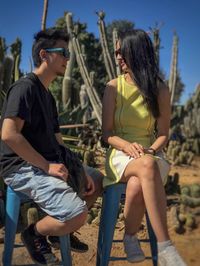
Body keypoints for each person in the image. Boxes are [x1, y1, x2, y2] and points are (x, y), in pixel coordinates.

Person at [0, 28, 103, 265]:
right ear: (45, 54)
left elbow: (57, 139)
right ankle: (34, 234)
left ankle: (60, 233)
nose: (68, 58)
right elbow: (9, 134)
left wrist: (76, 167)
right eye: (64, 52)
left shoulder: (47, 96)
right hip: (21, 167)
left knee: (95, 178)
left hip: (46, 163)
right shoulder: (25, 88)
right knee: (77, 213)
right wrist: (47, 166)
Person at [102, 29, 186, 266]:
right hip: (119, 154)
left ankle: (129, 237)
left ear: (137, 53)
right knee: (145, 168)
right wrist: (127, 146)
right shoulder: (112, 87)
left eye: (122, 51)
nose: (118, 56)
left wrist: (149, 151)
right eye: (116, 52)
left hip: (149, 154)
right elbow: (107, 134)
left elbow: (163, 134)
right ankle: (165, 247)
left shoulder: (159, 89)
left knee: (141, 177)